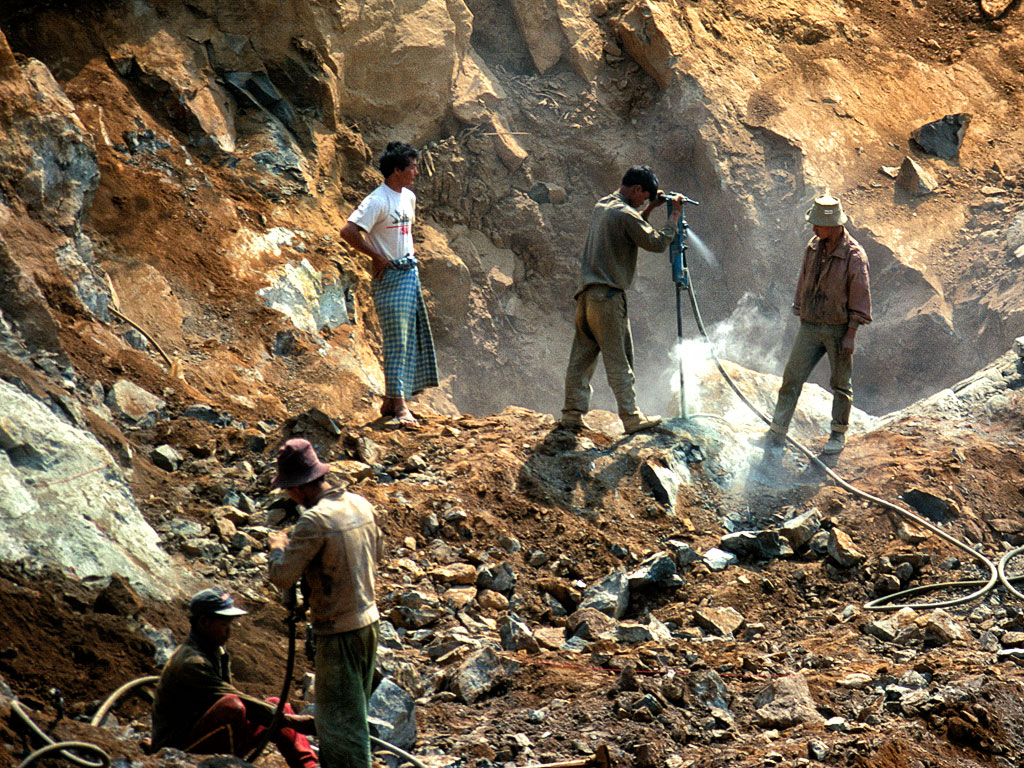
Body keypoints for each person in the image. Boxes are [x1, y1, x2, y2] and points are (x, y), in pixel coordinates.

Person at [267, 438, 381, 768]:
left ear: (300, 488)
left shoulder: (314, 521)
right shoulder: (360, 504)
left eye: (289, 490)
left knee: (339, 728)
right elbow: (378, 555)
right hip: (369, 623)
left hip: (338, 633)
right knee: (354, 714)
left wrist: (277, 546)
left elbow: (283, 576)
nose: (290, 497)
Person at [561, 165, 683, 434]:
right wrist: (673, 215)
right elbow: (656, 243)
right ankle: (631, 417)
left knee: (581, 359)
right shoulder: (626, 215)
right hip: (608, 298)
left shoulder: (603, 206)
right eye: (645, 197)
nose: (644, 202)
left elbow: (632, 224)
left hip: (586, 297)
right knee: (619, 360)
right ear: (637, 189)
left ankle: (571, 414)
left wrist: (650, 209)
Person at [150, 587, 317, 768]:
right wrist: (292, 721)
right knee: (233, 707)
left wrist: (283, 717)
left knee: (278, 705)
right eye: (223, 625)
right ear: (204, 622)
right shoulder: (192, 662)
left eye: (230, 625)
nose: (229, 631)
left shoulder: (216, 651)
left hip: (207, 732)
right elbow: (231, 699)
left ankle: (309, 766)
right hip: (178, 745)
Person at [340, 141, 438, 427]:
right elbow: (348, 231)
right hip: (392, 277)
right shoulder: (377, 200)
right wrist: (377, 256)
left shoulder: (408, 197)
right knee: (397, 342)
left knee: (409, 340)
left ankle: (391, 400)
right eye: (412, 167)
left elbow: (406, 233)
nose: (416, 172)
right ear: (397, 170)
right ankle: (401, 407)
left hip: (410, 272)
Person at [766, 193, 872, 455]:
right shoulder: (813, 247)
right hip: (811, 326)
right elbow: (803, 279)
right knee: (792, 377)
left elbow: (860, 296)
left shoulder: (854, 256)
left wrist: (851, 334)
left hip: (838, 329)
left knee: (840, 384)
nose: (813, 228)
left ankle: (838, 434)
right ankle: (777, 431)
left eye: (818, 223)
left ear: (834, 225)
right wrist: (801, 310)